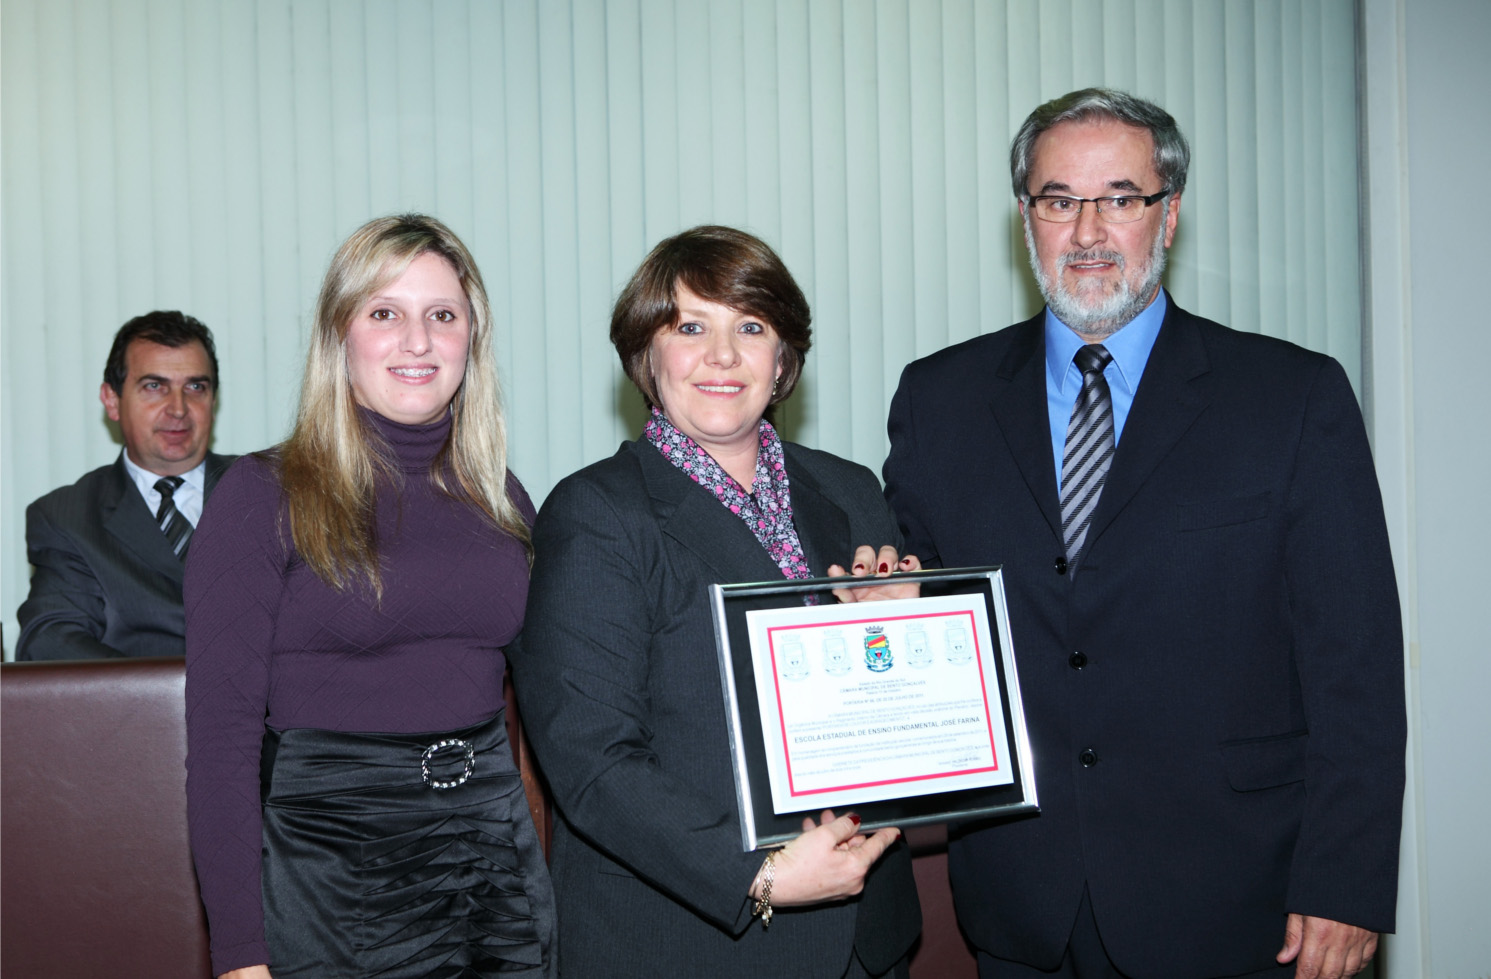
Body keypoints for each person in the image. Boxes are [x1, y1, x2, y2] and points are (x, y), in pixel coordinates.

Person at [883, 89, 1405, 979]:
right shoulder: (939, 400)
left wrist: (1346, 882)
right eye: (1058, 199)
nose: (1087, 230)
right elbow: (919, 617)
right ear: (1025, 219)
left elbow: (1354, 664)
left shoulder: (1290, 397)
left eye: (1120, 198)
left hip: (1238, 899)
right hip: (1020, 902)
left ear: (1168, 217)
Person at [508, 226, 922, 978]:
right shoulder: (597, 512)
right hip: (690, 937)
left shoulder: (851, 490)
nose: (722, 355)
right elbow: (590, 758)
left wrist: (902, 629)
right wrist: (756, 873)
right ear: (646, 355)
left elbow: (892, 722)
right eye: (690, 327)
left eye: (751, 327)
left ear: (783, 357)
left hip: (866, 936)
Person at [184, 214, 555, 979]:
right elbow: (221, 747)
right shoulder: (260, 497)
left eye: (442, 316)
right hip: (337, 880)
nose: (416, 340)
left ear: (470, 339)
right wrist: (241, 957)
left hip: (498, 874)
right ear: (339, 335)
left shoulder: (503, 497)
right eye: (384, 312)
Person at [17, 310, 233, 660]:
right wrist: (161, 694)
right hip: (143, 712)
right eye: (154, 386)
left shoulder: (271, 491)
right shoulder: (68, 518)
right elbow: (51, 641)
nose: (178, 408)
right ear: (112, 401)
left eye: (195, 386)